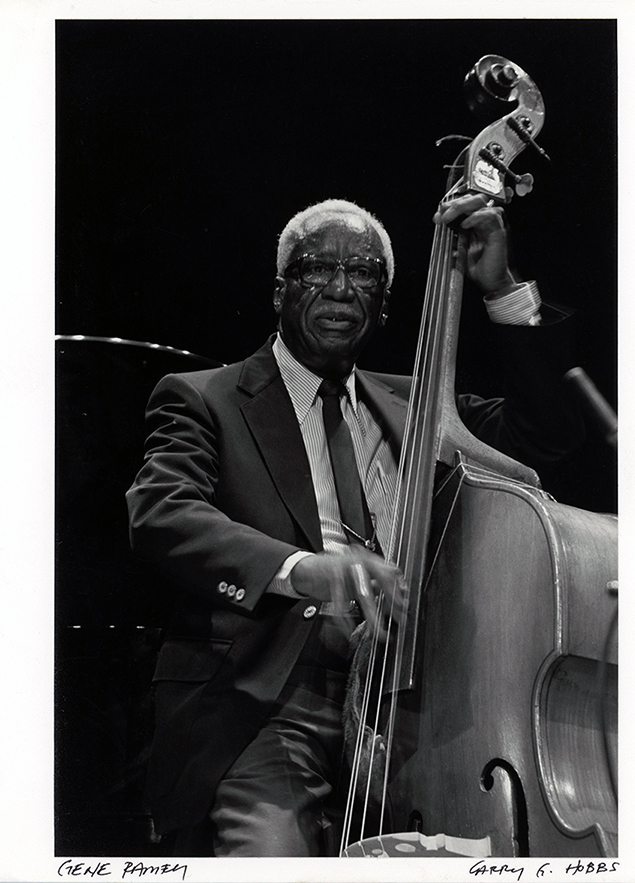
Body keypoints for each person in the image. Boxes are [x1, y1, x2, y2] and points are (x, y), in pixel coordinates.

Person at [126, 196, 582, 857]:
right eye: (317, 267)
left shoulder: (423, 412)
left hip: (413, 716)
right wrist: (302, 569)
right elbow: (161, 511)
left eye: (363, 271)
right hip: (270, 705)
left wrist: (502, 289)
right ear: (280, 288)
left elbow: (544, 434)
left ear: (386, 300)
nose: (341, 287)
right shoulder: (205, 398)